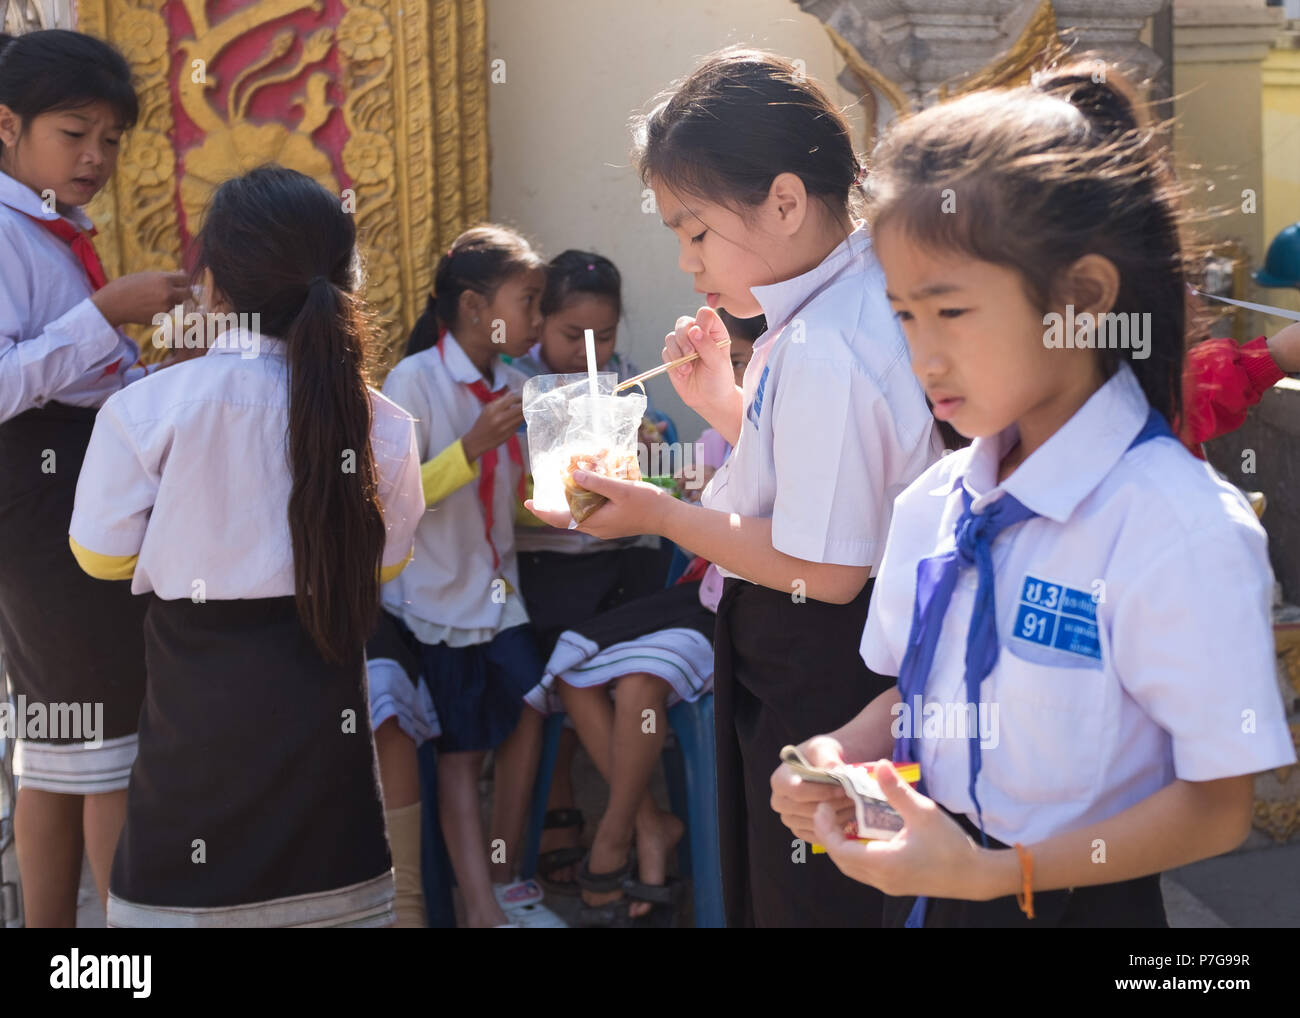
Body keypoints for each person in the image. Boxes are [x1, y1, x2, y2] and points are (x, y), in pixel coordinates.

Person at [772, 63, 1297, 927]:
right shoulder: (936, 504)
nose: (924, 358)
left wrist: (997, 875)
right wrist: (834, 756)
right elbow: (921, 689)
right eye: (904, 316)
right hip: (936, 887)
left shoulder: (1177, 528)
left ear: (1081, 299)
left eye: (951, 312)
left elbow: (1217, 806)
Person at [527, 47, 942, 927]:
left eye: (695, 230)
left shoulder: (830, 340)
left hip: (826, 661)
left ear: (785, 201)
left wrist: (659, 513)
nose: (687, 260)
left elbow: (825, 567)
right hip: (813, 654)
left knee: (816, 904)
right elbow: (821, 484)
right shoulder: (836, 310)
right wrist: (725, 404)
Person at [69, 165, 424, 926]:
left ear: (213, 288)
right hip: (335, 834)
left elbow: (99, 556)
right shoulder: (384, 423)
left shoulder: (148, 411)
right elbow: (385, 563)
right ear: (343, 280)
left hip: (188, 810)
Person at [0, 28, 192, 926]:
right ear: (8, 126)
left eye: (111, 140)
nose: (95, 157)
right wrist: (102, 315)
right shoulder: (5, 234)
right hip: (38, 501)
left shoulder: (49, 231)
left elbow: (81, 374)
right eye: (73, 132)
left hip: (72, 488)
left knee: (64, 746)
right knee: (104, 744)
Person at [378, 225, 561, 927]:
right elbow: (393, 501)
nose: (538, 322)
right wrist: (472, 445)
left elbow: (518, 498)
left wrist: (582, 491)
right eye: (530, 302)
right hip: (435, 600)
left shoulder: (516, 384)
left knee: (529, 707)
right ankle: (479, 904)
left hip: (498, 594)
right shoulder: (413, 380)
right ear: (476, 305)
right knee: (460, 758)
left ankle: (500, 874)